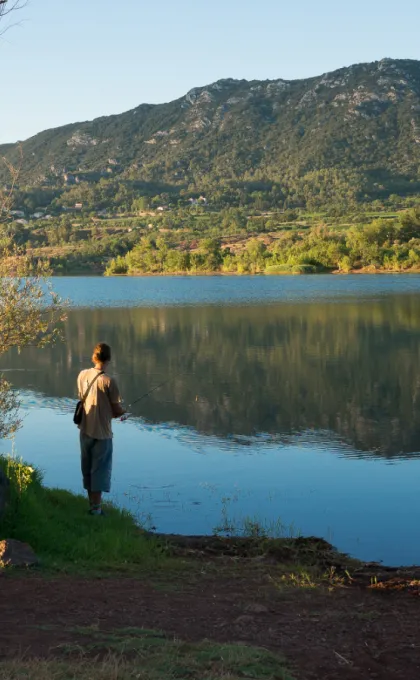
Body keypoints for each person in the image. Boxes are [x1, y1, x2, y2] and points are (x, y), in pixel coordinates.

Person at [77, 342, 125, 515]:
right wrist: (124, 412)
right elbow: (116, 410)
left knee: (87, 466)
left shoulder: (82, 375)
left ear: (94, 356)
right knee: (99, 470)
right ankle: (96, 511)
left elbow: (83, 397)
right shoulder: (109, 381)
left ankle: (92, 505)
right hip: (102, 433)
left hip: (85, 429)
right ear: (109, 359)